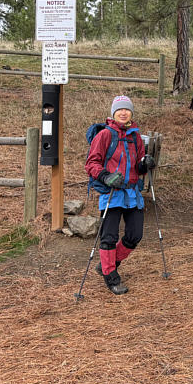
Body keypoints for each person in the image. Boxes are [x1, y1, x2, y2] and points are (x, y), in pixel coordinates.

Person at [85, 95, 156, 295]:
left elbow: (138, 167)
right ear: (113, 113)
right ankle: (111, 277)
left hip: (132, 193)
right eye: (119, 110)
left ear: (131, 113)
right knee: (109, 237)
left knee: (135, 235)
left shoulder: (135, 136)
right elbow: (91, 163)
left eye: (127, 109)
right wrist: (106, 176)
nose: (123, 113)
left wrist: (145, 164)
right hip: (111, 192)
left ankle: (108, 264)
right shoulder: (104, 135)